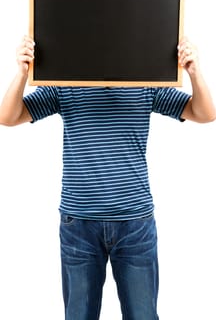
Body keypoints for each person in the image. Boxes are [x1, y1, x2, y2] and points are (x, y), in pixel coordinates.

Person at [0, 35, 215, 320]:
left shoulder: (144, 83)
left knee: (143, 315)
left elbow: (204, 113)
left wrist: (194, 71)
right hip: (79, 223)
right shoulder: (67, 84)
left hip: (135, 222)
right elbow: (8, 116)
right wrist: (22, 73)